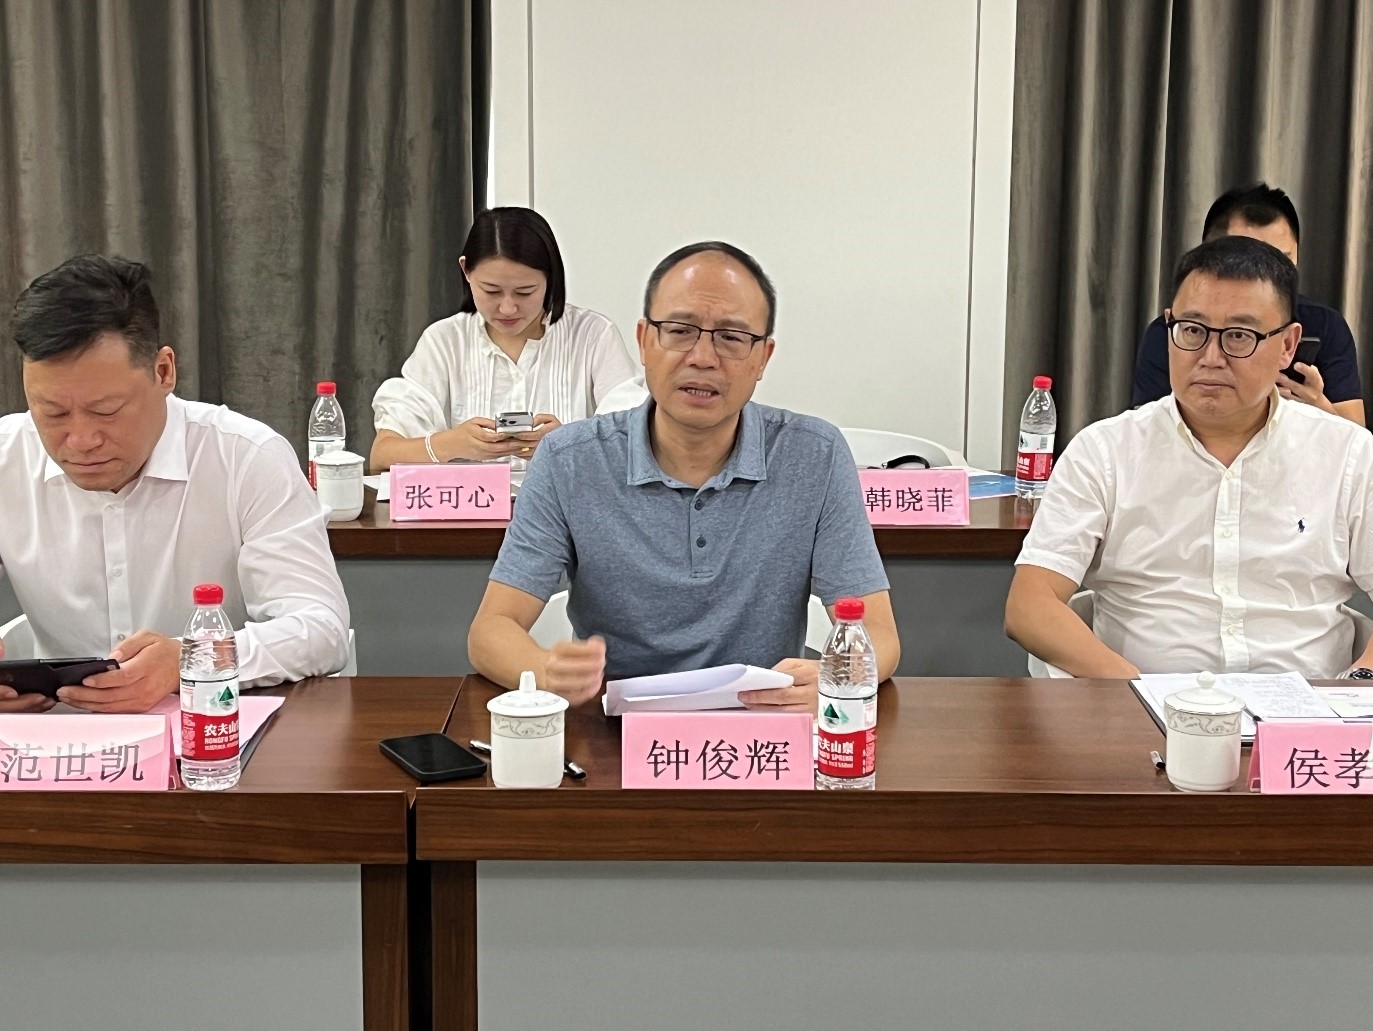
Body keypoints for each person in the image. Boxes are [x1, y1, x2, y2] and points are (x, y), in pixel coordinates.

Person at [467, 242, 900, 709]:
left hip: (762, 729)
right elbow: (491, 631)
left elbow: (878, 633)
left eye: (731, 338)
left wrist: (838, 677)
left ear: (763, 358)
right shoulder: (569, 460)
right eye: (679, 331)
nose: (703, 357)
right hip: (617, 731)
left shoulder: (814, 454)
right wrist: (545, 671)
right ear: (644, 341)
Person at [1007, 235, 1373, 679]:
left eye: (1239, 336)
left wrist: (1358, 687)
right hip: (1140, 705)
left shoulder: (1348, 455)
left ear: (1287, 345)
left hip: (1304, 710)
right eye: (1193, 331)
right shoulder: (1104, 452)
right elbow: (1030, 605)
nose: (1210, 358)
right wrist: (1139, 694)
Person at [0, 255, 350, 714]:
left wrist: (194, 659)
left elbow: (321, 628)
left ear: (163, 371)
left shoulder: (246, 457)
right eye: (52, 413)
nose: (81, 440)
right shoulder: (6, 458)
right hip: (60, 738)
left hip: (217, 724)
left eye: (106, 410)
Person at [370, 207, 638, 470]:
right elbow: (382, 454)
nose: (508, 308)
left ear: (551, 278)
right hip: (471, 500)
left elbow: (637, 441)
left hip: (567, 500)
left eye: (525, 292)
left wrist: (570, 445)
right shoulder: (444, 341)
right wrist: (453, 444)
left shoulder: (593, 335)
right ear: (466, 270)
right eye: (491, 291)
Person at [1132, 182, 1364, 426]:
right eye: (1251, 262)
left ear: (1288, 344)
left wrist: (1318, 408)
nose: (1270, 276)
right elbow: (1145, 431)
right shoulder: (1172, 331)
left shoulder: (1325, 325)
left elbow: (1356, 438)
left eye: (1283, 262)